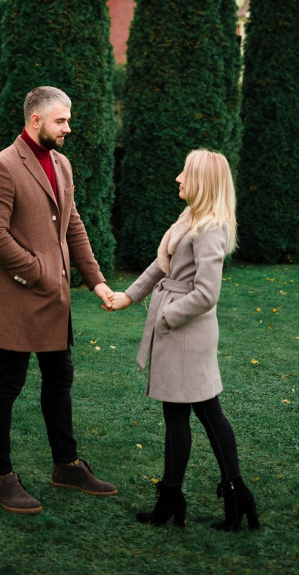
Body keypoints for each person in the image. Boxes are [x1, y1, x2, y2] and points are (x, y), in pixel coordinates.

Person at [0, 85, 116, 514]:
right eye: (61, 121)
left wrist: (96, 282)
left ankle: (67, 466)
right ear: (35, 120)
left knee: (60, 380)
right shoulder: (2, 166)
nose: (68, 128)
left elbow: (73, 227)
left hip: (56, 303)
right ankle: (0, 478)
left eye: (68, 119)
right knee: (7, 385)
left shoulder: (62, 164)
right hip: (16, 301)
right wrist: (37, 270)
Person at [108, 149, 259, 531]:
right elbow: (163, 267)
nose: (177, 178)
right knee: (195, 414)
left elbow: (207, 292)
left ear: (203, 182)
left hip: (186, 332)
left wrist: (168, 316)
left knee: (198, 414)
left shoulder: (211, 227)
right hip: (181, 331)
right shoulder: (190, 218)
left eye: (185, 173)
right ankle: (208, 496)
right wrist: (130, 295)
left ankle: (202, 496)